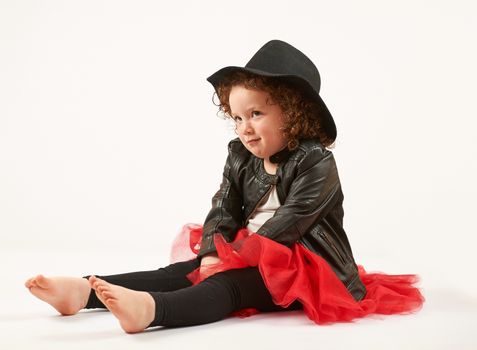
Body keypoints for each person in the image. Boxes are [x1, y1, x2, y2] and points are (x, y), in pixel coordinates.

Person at [25, 40, 424, 333]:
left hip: (304, 264)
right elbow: (223, 208)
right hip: (247, 247)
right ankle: (83, 291)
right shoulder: (240, 154)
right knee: (184, 269)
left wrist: (233, 259)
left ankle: (151, 311)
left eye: (256, 114)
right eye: (236, 117)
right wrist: (214, 250)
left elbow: (292, 221)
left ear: (294, 114)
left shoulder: (317, 161)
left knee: (230, 285)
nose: (244, 127)